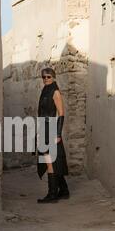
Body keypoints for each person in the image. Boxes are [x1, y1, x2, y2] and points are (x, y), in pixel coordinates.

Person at [36, 68, 70, 204]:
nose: (45, 79)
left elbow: (61, 113)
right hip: (44, 128)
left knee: (49, 161)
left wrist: (57, 134)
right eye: (43, 77)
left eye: (48, 77)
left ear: (54, 77)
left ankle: (52, 194)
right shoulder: (45, 90)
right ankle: (64, 191)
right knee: (53, 161)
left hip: (51, 129)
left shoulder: (55, 91)